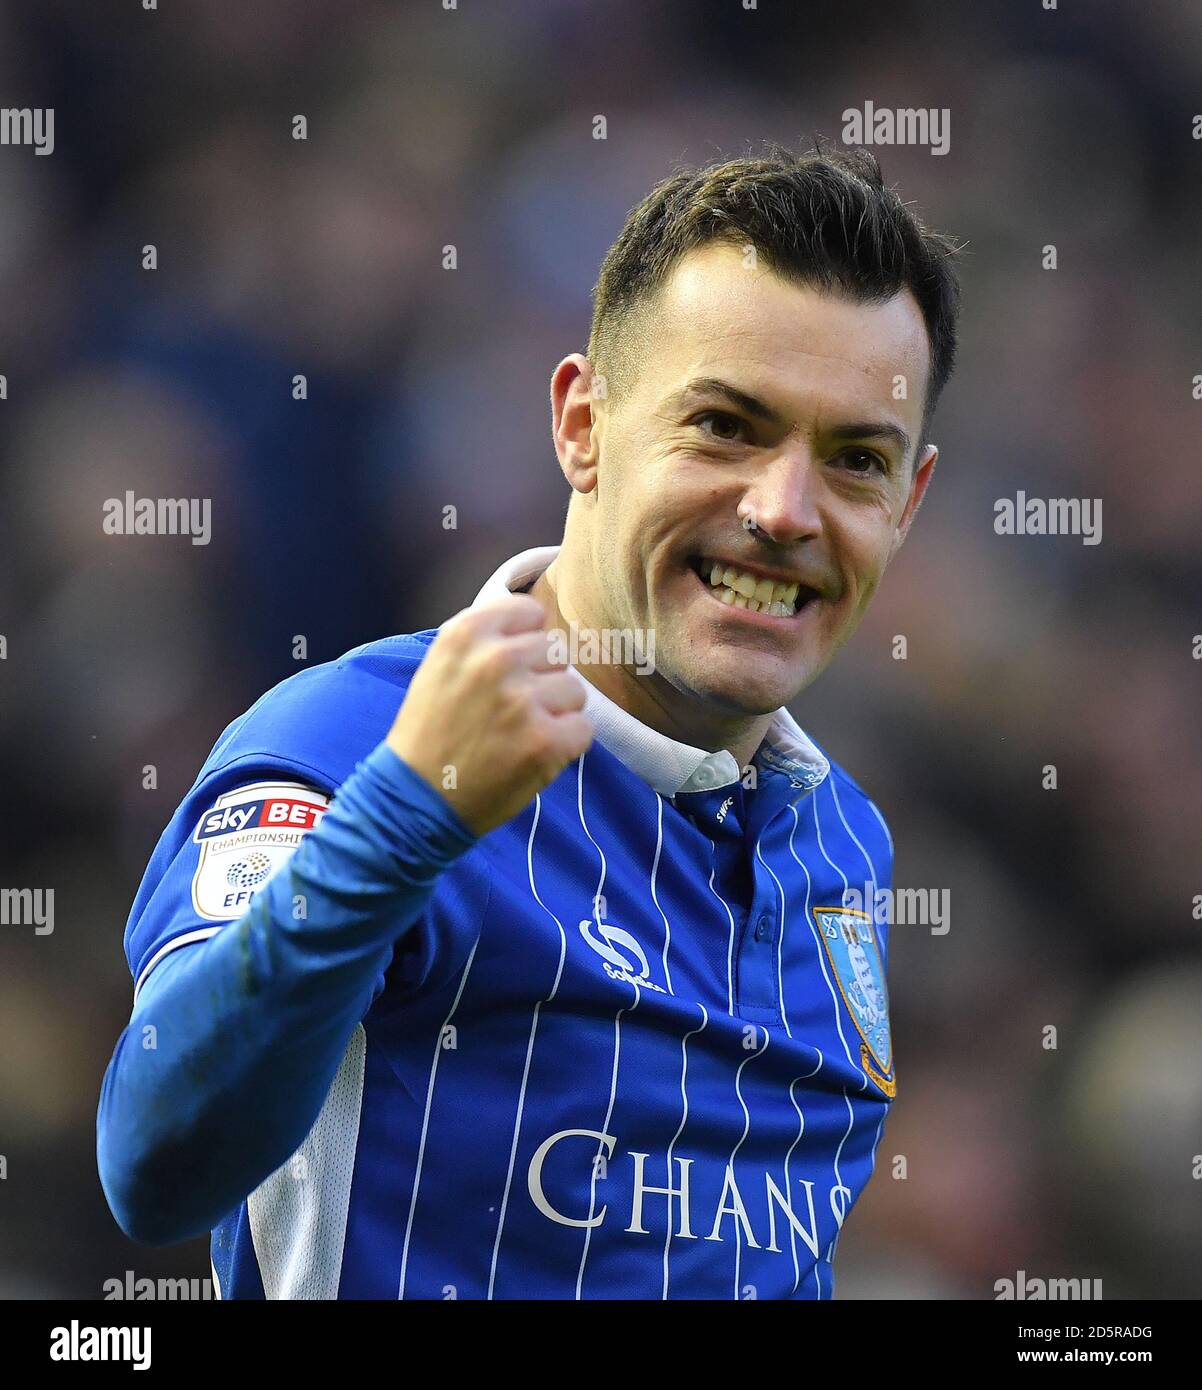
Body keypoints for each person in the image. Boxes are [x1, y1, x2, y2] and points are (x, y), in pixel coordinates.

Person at [96, 143, 961, 1299]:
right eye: (724, 427)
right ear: (581, 424)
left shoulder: (841, 843)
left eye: (855, 460)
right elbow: (152, 1161)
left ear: (906, 502)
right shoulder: (350, 746)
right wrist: (403, 820)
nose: (783, 511)